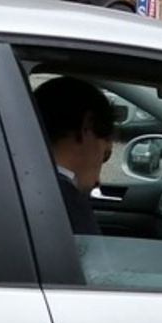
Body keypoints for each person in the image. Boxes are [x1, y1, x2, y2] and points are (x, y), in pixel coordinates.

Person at [32, 76, 115, 236]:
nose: (98, 182)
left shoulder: (18, 185)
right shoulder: (66, 200)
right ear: (87, 126)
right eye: (106, 155)